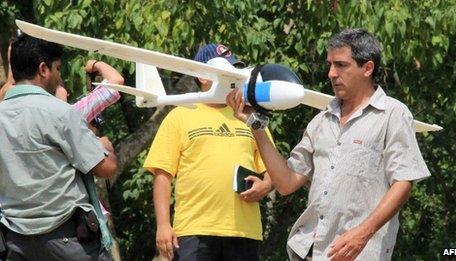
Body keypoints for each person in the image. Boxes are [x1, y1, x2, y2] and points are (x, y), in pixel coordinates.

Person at [227, 28, 431, 261]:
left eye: (341, 65)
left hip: (357, 254)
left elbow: (403, 183)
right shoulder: (321, 121)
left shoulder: (392, 114)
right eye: (330, 64)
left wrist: (362, 234)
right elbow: (286, 183)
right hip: (308, 250)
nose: (331, 73)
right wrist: (256, 125)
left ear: (367, 68)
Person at [144, 43, 274, 260]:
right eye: (225, 72)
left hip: (244, 231)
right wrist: (163, 225)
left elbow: (273, 165)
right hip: (194, 229)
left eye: (235, 70)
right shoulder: (180, 116)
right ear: (203, 76)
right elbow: (162, 175)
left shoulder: (250, 116)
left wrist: (266, 185)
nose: (233, 77)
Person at [0, 34, 117, 260]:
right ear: (43, 69)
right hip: (68, 240)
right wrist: (104, 146)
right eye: (58, 68)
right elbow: (106, 168)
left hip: (17, 242)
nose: (58, 75)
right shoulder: (59, 113)